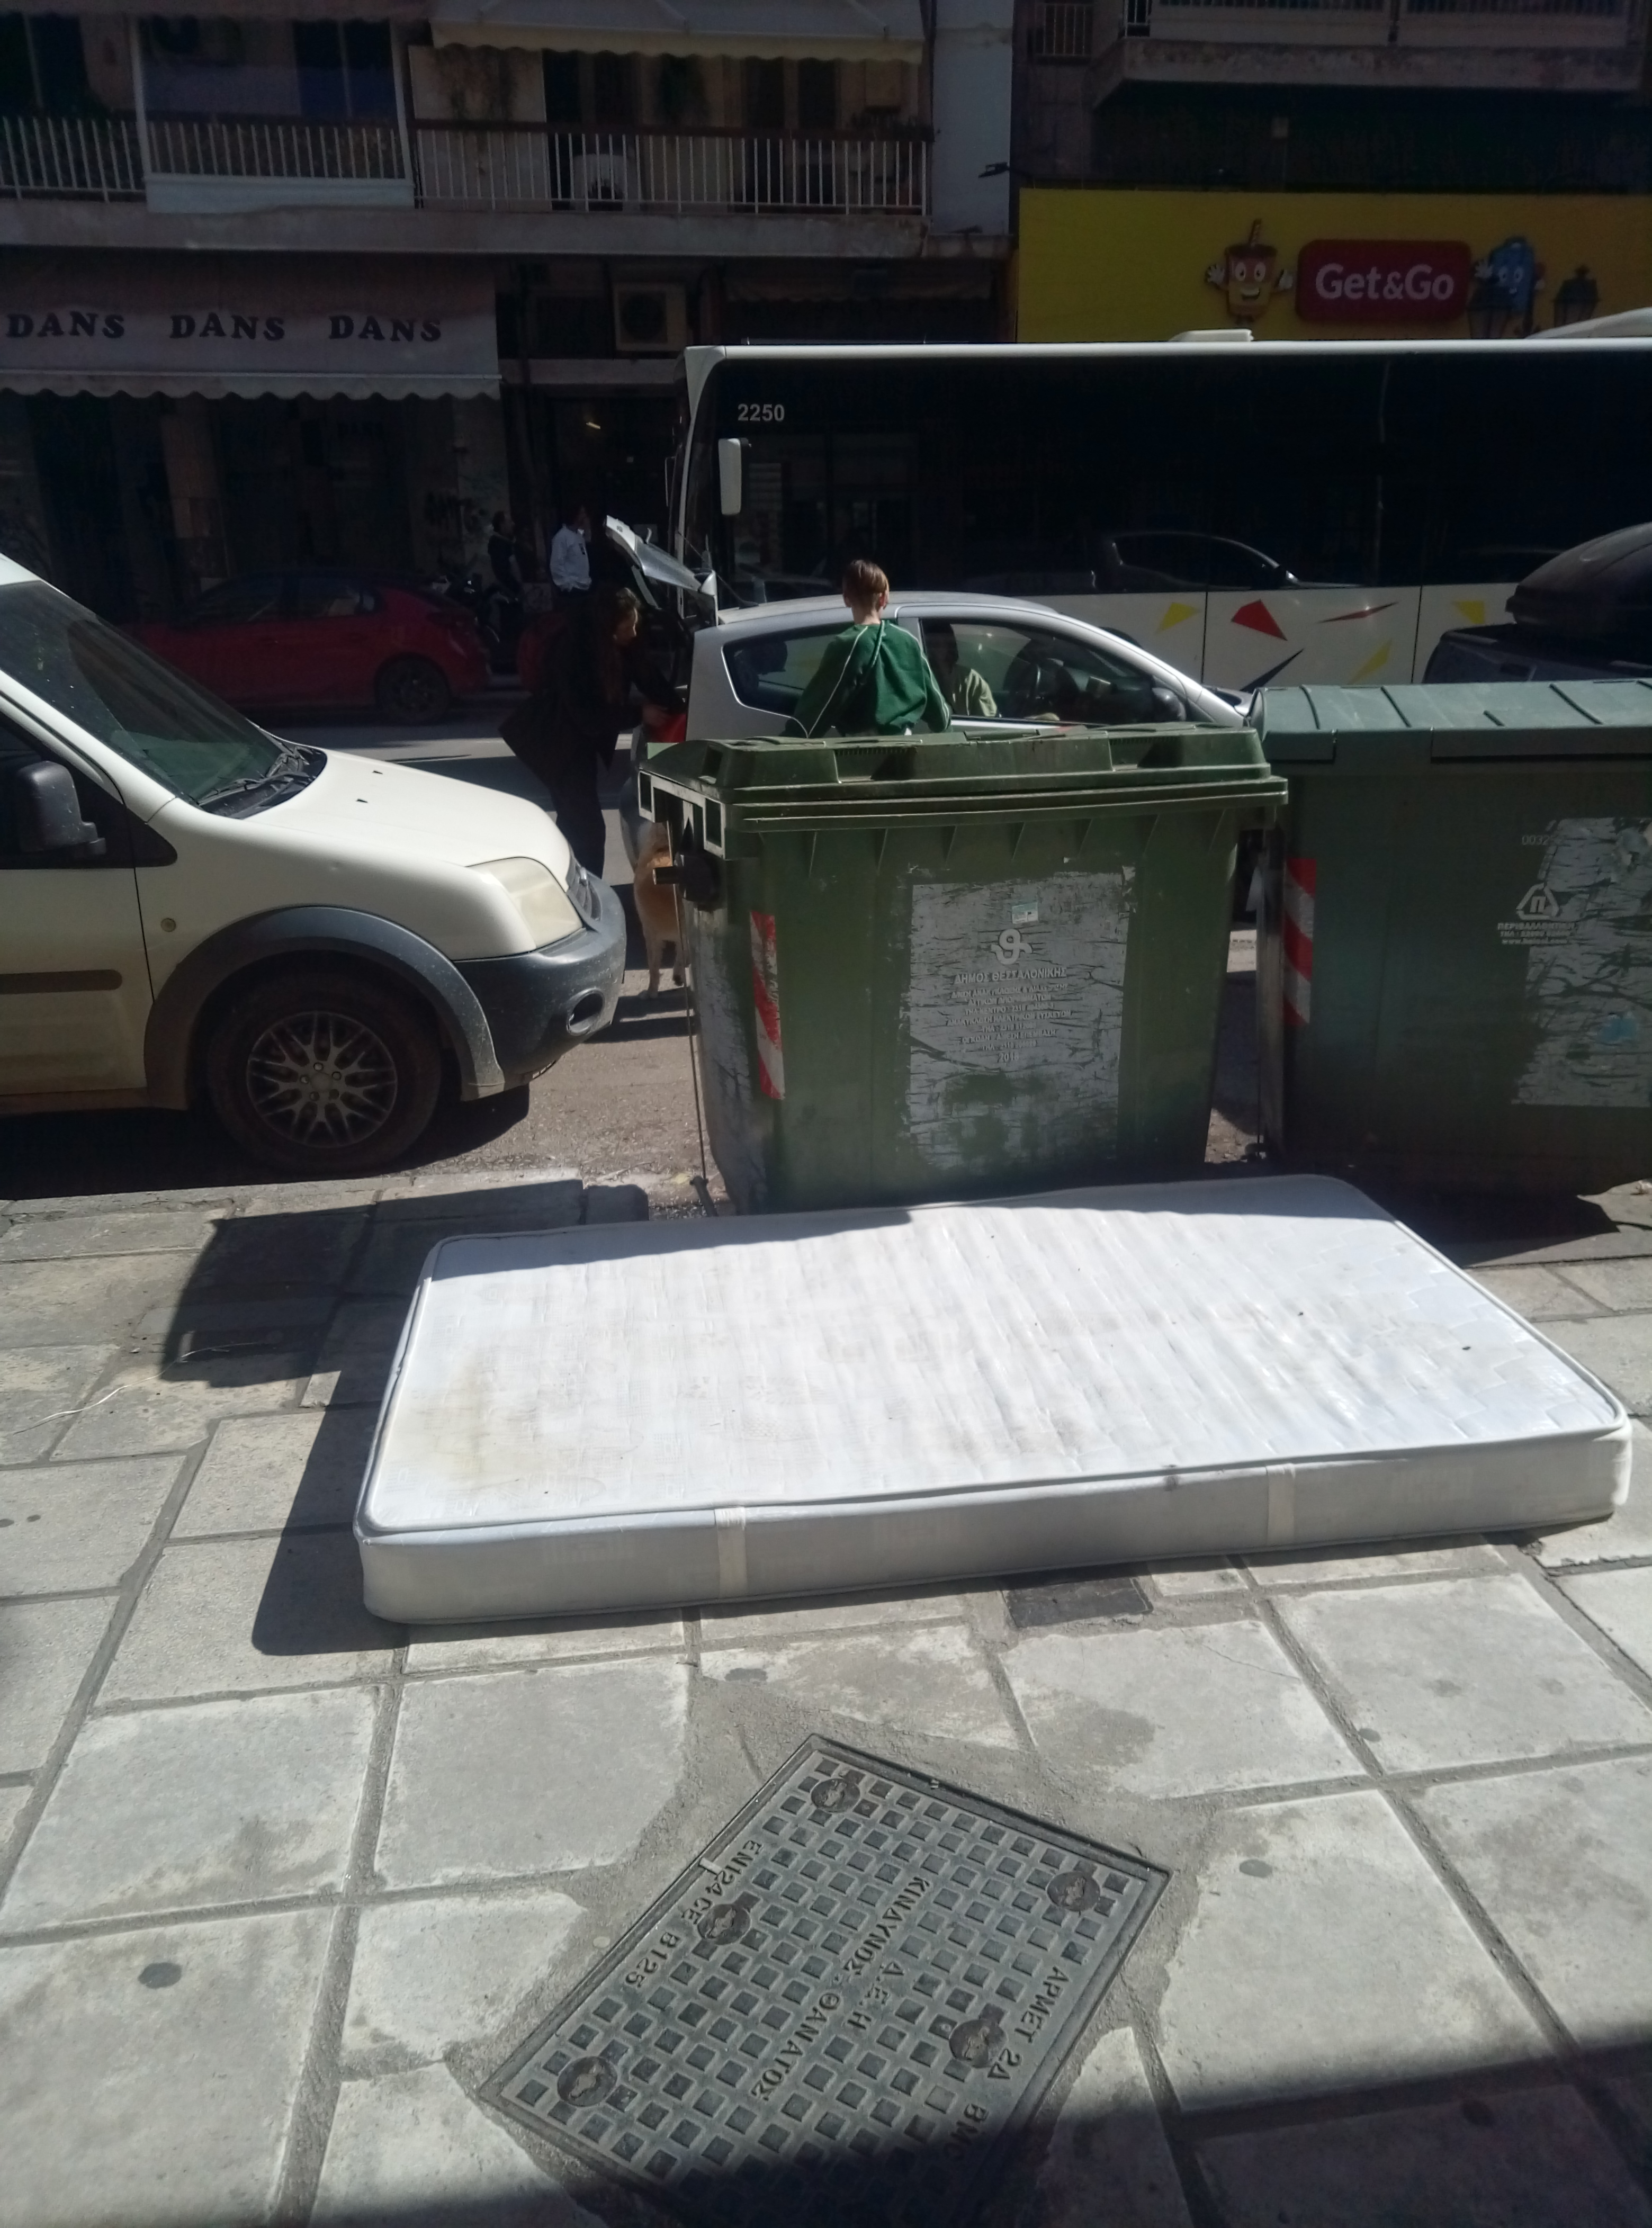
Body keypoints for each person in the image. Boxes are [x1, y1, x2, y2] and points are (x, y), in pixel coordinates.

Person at [500, 584, 670, 877]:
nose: (634, 632)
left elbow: (648, 676)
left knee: (574, 825)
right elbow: (587, 715)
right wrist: (639, 713)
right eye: (627, 626)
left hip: (580, 746)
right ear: (608, 627)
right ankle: (589, 894)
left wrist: (679, 704)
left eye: (635, 624)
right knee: (588, 830)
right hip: (557, 744)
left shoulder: (616, 645)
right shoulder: (573, 652)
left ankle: (561, 882)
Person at [791, 559, 949, 739]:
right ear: (883, 599)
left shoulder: (848, 644)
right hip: (906, 747)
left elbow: (818, 708)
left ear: (846, 599)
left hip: (862, 751)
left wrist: (792, 738)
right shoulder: (908, 641)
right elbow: (940, 714)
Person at [926, 622, 997, 719]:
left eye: (938, 644)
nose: (934, 650)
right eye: (930, 644)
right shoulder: (920, 679)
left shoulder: (972, 681)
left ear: (949, 646)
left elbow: (988, 723)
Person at [549, 502, 592, 600]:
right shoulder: (562, 537)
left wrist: (587, 528)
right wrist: (568, 586)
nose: (585, 516)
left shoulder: (579, 536)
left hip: (584, 586)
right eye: (582, 513)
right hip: (573, 590)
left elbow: (588, 540)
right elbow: (556, 565)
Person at [488, 513, 523, 597]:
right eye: (510, 522)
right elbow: (502, 573)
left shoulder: (507, 544)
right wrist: (516, 588)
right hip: (507, 594)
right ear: (502, 525)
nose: (513, 524)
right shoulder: (498, 546)